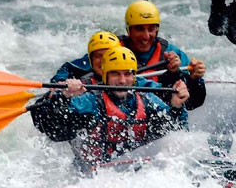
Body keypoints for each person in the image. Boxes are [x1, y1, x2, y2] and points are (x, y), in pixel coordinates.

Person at [34, 47, 189, 173]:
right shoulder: (90, 102)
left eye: (127, 74)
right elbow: (52, 129)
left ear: (134, 76)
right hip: (93, 177)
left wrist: (176, 107)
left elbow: (174, 129)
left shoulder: (147, 99)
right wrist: (63, 97)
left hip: (136, 172)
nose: (122, 81)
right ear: (105, 75)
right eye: (115, 73)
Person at [121, 0, 206, 111]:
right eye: (139, 29)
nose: (146, 36)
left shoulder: (172, 53)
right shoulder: (112, 49)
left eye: (151, 29)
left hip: (155, 115)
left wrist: (193, 79)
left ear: (157, 30)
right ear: (129, 30)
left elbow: (193, 103)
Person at [50, 31, 121, 83]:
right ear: (91, 60)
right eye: (98, 56)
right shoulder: (84, 83)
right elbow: (68, 67)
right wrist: (61, 83)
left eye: (109, 55)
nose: (103, 60)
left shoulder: (130, 77)